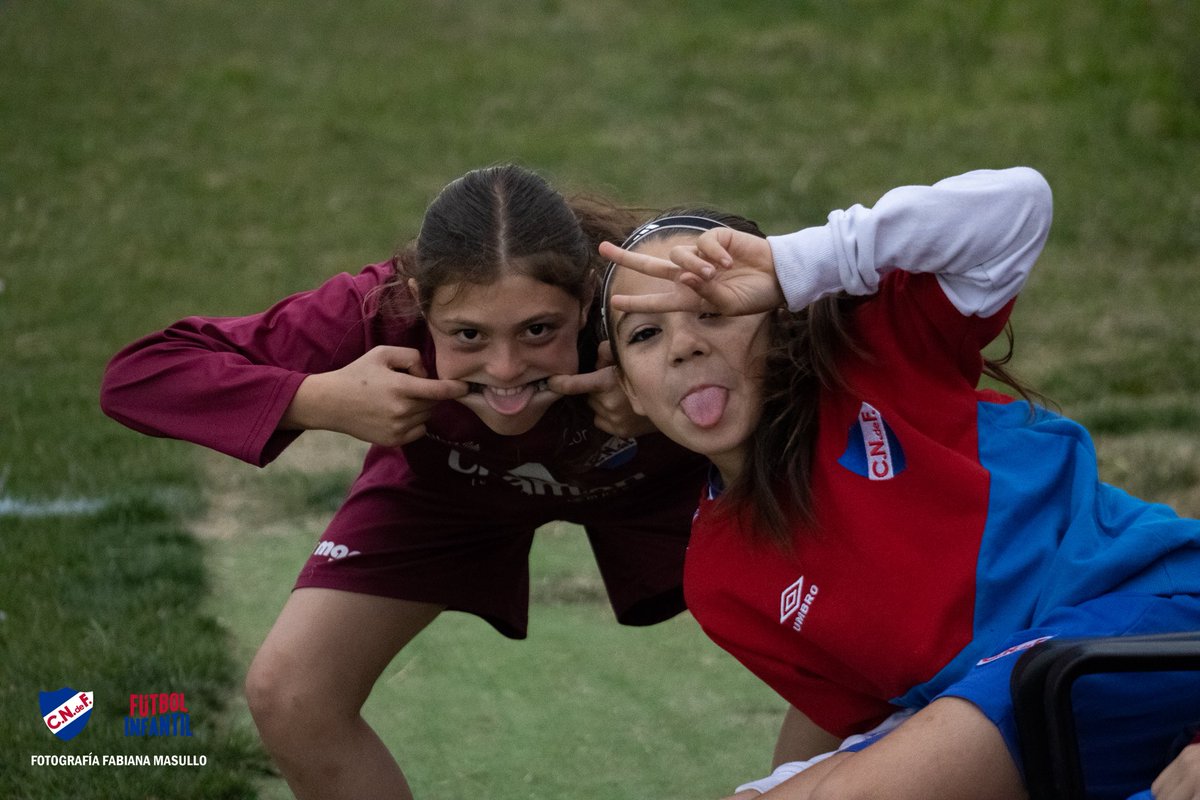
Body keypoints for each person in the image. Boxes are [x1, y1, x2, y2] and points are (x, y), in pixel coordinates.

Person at [99, 164, 714, 800]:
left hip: (659, 483)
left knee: (826, 636)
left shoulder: (647, 291)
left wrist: (677, 396)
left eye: (539, 330)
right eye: (468, 334)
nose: (505, 369)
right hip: (449, 489)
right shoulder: (375, 307)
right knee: (289, 693)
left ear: (588, 296)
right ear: (418, 299)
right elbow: (138, 377)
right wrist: (318, 400)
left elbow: (801, 361)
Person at [600, 167, 1200, 800]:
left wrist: (799, 262)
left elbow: (1020, 205)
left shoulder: (877, 354)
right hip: (1028, 710)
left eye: (714, 310)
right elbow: (871, 720)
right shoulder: (718, 580)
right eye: (646, 334)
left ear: (775, 315)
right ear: (628, 390)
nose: (684, 347)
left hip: (1149, 623)